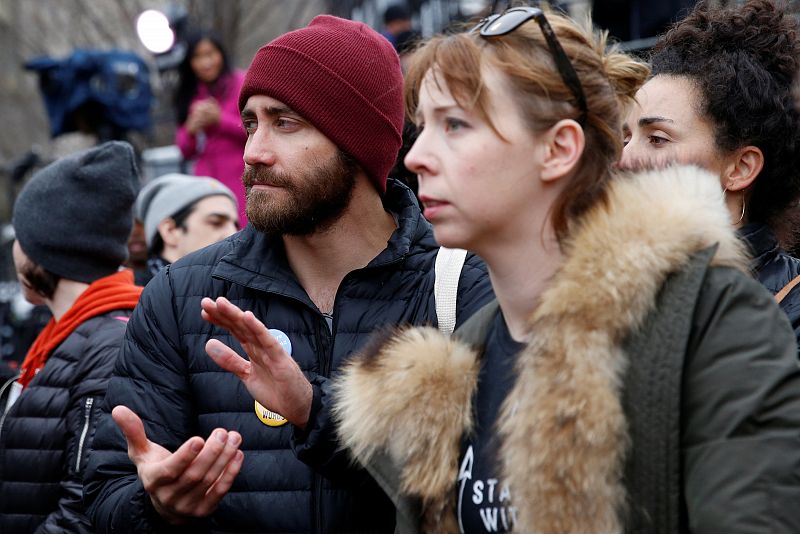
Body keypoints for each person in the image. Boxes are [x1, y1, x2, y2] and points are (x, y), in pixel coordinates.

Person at [329, 6, 800, 532]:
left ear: (558, 149)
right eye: (424, 127)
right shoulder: (458, 365)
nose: (417, 157)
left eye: (455, 125)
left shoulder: (713, 321)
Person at [84, 15, 493, 533]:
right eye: (251, 121)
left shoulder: (459, 286)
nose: (254, 151)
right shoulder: (180, 296)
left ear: (358, 143)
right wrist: (157, 506)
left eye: (285, 122)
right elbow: (104, 495)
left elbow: (492, 493)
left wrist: (316, 411)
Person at [620, 0, 800, 343]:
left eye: (657, 139)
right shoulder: (603, 285)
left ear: (741, 168)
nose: (623, 159)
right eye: (625, 137)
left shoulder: (789, 314)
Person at [0, 141, 142, 533]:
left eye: (21, 235)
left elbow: (82, 511)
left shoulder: (107, 347)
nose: (15, 247)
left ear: (47, 248)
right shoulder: (67, 336)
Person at [175, 31, 248, 225]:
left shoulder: (241, 82)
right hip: (206, 181)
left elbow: (254, 130)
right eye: (198, 57)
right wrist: (190, 129)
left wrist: (220, 120)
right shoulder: (190, 92)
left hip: (240, 176)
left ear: (221, 55)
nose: (205, 62)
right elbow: (184, 150)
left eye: (210, 54)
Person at [133, 173, 239, 286]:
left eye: (236, 226)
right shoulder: (134, 299)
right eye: (216, 222)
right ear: (170, 231)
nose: (233, 234)